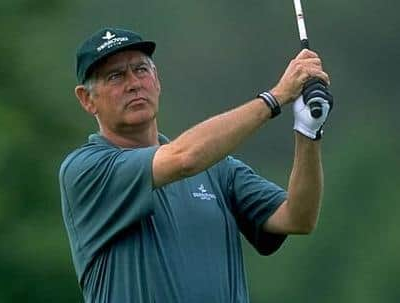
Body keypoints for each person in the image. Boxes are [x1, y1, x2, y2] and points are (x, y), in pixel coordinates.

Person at [59, 27, 333, 303]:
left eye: (141, 70)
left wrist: (308, 132)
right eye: (116, 76)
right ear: (86, 99)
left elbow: (298, 218)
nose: (133, 83)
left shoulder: (217, 168)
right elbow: (184, 159)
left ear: (157, 80)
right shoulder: (86, 169)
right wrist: (275, 98)